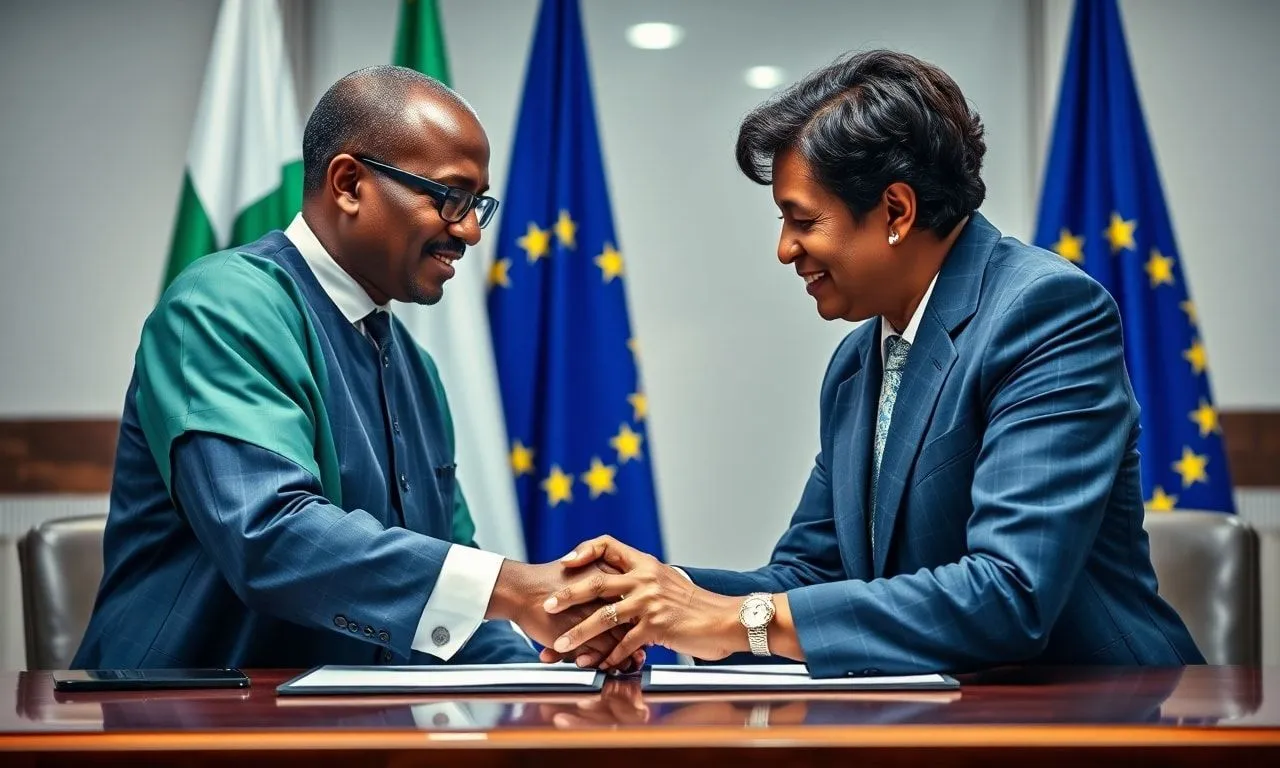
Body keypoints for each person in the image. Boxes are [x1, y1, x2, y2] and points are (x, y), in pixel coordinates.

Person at [539, 50, 1205, 676]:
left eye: (802, 220)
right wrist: (650, 600)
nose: (784, 249)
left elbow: (1009, 594)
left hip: (1111, 720)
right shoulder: (859, 361)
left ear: (894, 210)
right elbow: (809, 577)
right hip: (945, 719)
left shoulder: (1046, 312)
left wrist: (728, 619)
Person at [73, 66, 638, 671]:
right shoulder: (223, 305)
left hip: (347, 727)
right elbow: (269, 536)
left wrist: (550, 673)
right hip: (173, 726)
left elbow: (450, 578)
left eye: (478, 205)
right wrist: (513, 587)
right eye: (451, 197)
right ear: (348, 183)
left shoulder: (415, 368)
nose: (470, 231)